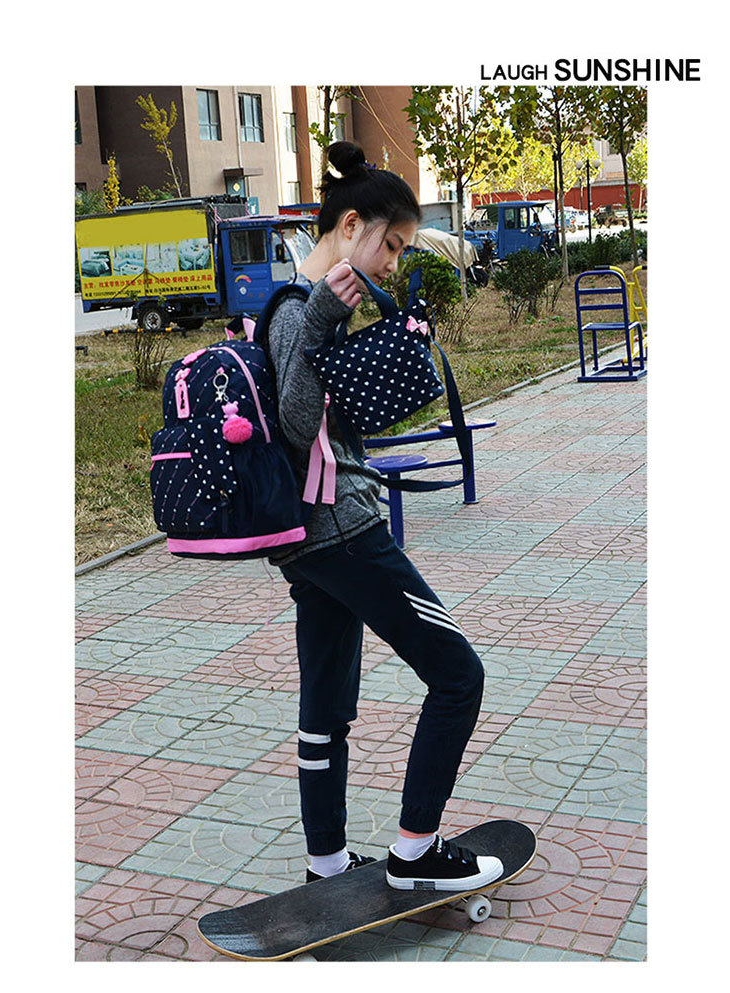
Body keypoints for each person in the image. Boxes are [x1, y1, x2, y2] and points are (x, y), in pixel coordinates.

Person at [266, 141, 503, 892]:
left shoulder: (305, 307)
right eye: (392, 244)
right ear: (351, 227)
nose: (394, 262)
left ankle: (327, 864)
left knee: (325, 709)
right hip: (345, 535)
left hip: (313, 544)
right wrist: (324, 318)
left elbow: (329, 419)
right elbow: (297, 423)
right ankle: (415, 853)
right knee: (459, 675)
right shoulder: (296, 310)